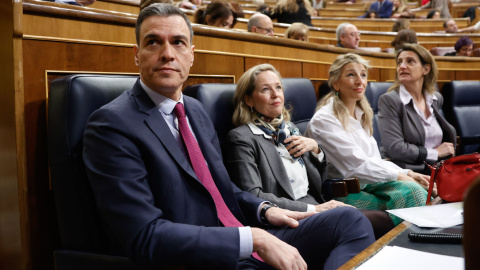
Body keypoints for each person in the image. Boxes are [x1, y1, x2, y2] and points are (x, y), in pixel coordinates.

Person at [83, 3, 375, 269]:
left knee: (349, 221)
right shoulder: (112, 124)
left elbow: (221, 189)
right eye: (153, 42)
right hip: (203, 256)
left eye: (178, 43)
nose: (168, 53)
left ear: (191, 55)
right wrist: (252, 239)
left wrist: (264, 210)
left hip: (246, 235)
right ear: (137, 55)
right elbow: (143, 235)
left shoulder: (195, 111)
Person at [225, 63, 395, 239]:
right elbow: (255, 196)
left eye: (278, 87)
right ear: (249, 100)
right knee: (362, 221)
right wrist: (314, 209)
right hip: (287, 219)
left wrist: (316, 150)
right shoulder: (242, 138)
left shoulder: (290, 129)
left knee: (387, 221)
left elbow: (318, 183)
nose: (276, 94)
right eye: (265, 90)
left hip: (316, 205)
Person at [305, 53, 433, 226]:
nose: (360, 81)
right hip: (342, 192)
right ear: (336, 83)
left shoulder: (361, 113)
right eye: (351, 74)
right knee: (412, 192)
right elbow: (357, 166)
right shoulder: (324, 119)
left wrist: (407, 173)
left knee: (422, 188)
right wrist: (402, 177)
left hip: (368, 184)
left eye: (363, 75)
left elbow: (373, 160)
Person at [378, 44, 456, 175]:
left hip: (439, 169)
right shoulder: (390, 101)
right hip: (408, 172)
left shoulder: (436, 98)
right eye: (399, 62)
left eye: (410, 61)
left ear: (426, 69)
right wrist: (435, 153)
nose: (402, 66)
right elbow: (395, 148)